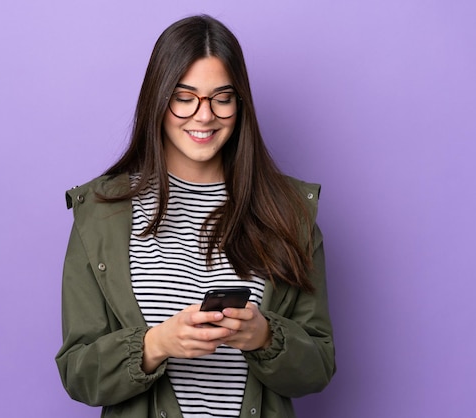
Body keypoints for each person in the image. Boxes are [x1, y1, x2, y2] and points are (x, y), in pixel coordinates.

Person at [55, 15, 335, 418]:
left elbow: (319, 367)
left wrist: (265, 336)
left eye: (221, 97)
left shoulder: (289, 211)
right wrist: (156, 345)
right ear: (158, 98)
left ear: (240, 103)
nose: (204, 116)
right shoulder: (100, 213)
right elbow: (78, 373)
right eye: (185, 97)